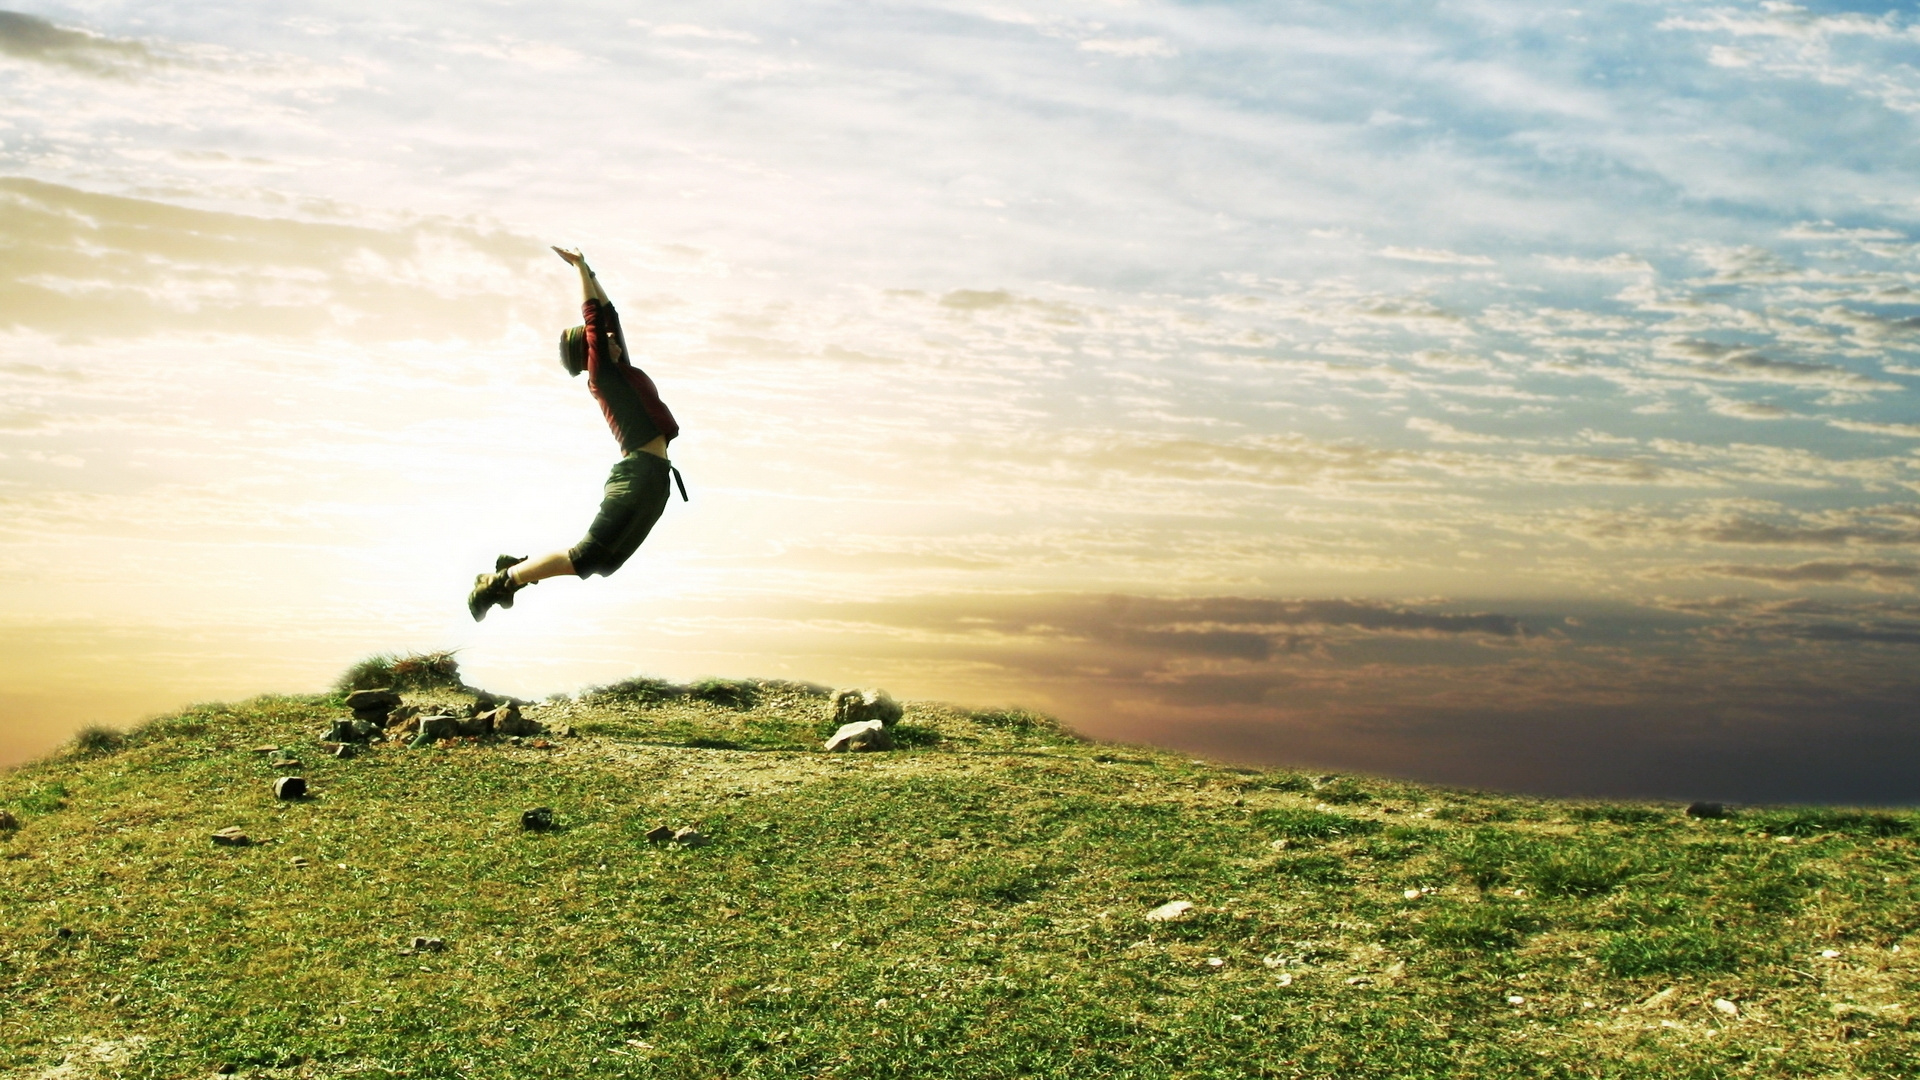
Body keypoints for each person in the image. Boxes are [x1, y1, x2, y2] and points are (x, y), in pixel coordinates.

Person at [467, 246, 686, 621]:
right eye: (603, 339)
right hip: (636, 479)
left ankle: (516, 571)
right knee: (586, 557)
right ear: (591, 351)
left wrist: (593, 274)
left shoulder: (624, 370)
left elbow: (608, 314)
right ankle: (501, 580)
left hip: (655, 480)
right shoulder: (604, 376)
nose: (612, 337)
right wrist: (579, 269)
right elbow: (595, 318)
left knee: (604, 563)